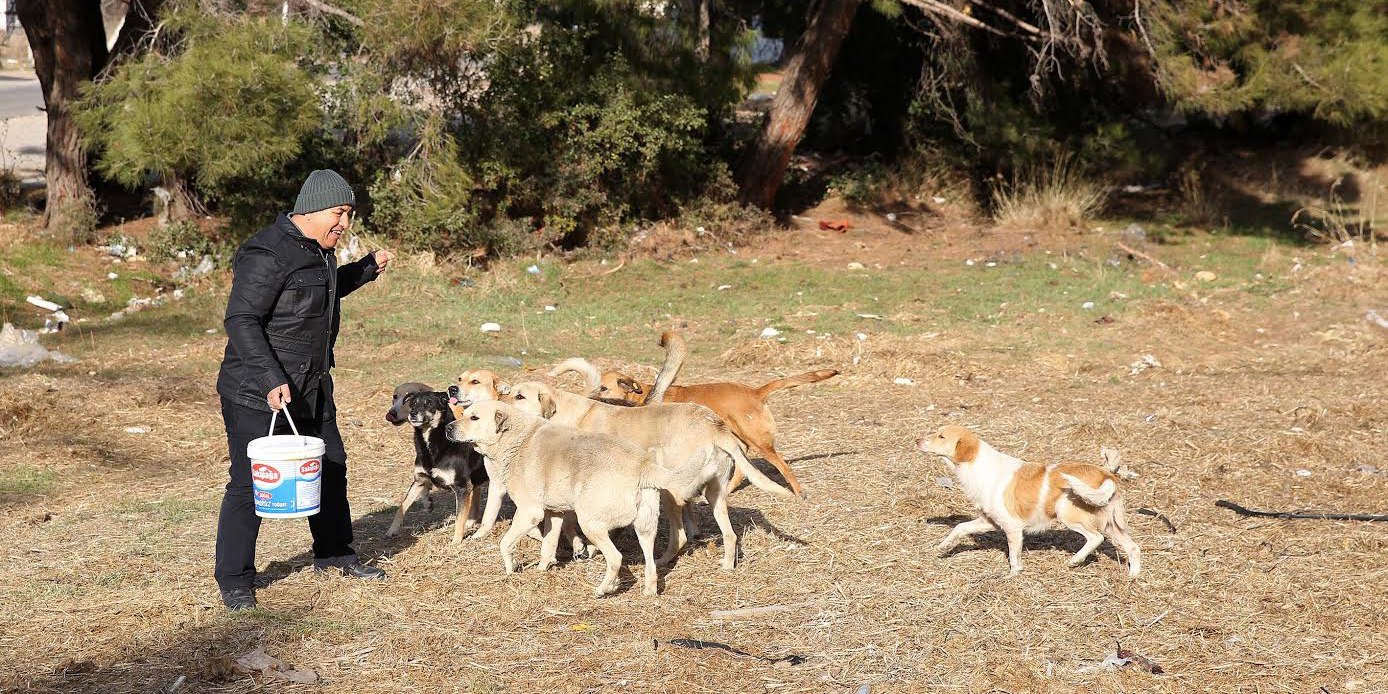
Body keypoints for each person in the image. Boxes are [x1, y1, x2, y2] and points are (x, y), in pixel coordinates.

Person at [214, 169, 395, 611]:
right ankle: (235, 580)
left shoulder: (318, 251)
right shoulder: (267, 252)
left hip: (312, 383)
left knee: (330, 466)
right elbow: (241, 320)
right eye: (339, 213)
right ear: (311, 210)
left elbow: (322, 295)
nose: (345, 223)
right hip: (257, 389)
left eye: (349, 214)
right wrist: (270, 377)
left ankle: (333, 554)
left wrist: (365, 269)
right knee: (248, 484)